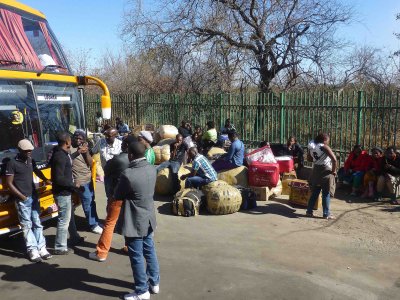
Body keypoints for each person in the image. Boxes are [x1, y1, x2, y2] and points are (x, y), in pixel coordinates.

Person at [114, 142, 160, 300]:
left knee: (136, 256)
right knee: (150, 250)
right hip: (148, 218)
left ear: (131, 155)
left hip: (134, 220)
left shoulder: (128, 174)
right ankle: (154, 283)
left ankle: (142, 291)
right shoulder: (152, 168)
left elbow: (117, 195)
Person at [88, 135, 137, 262]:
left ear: (127, 146)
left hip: (117, 195)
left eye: (124, 143)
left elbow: (106, 171)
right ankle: (129, 247)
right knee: (128, 221)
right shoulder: (139, 160)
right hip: (132, 196)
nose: (121, 144)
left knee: (109, 223)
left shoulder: (118, 159)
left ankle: (101, 253)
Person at [5, 139, 52, 262]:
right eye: (27, 151)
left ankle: (42, 248)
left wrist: (46, 180)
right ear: (20, 150)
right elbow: (9, 184)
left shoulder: (31, 160)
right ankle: (32, 250)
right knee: (26, 225)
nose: (30, 152)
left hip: (34, 196)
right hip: (23, 200)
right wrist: (22, 197)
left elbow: (37, 171)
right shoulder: (12, 163)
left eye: (31, 150)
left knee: (37, 222)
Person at [50, 132, 84, 255]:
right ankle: (60, 247)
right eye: (70, 140)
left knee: (69, 217)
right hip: (62, 193)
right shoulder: (59, 156)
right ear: (67, 142)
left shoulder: (63, 154)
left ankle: (74, 237)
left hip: (66, 192)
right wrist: (74, 184)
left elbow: (68, 161)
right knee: (64, 220)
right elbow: (58, 179)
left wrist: (77, 153)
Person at [71, 130, 102, 234]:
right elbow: (67, 161)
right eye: (77, 138)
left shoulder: (84, 149)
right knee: (87, 203)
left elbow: (90, 163)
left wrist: (86, 152)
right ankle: (93, 225)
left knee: (91, 202)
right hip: (79, 181)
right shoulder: (69, 148)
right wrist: (78, 152)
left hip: (89, 179)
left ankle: (95, 222)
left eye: (81, 139)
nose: (78, 141)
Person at [306, 133, 337, 220]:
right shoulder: (324, 147)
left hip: (316, 171)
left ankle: (309, 211)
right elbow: (334, 159)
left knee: (315, 192)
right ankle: (326, 213)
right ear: (324, 140)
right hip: (325, 171)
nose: (328, 142)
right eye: (328, 140)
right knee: (326, 193)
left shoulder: (312, 147)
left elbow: (309, 159)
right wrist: (334, 171)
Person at [91, 128, 122, 200]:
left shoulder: (120, 144)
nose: (106, 138)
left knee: (118, 197)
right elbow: (92, 152)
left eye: (109, 136)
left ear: (115, 136)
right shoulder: (101, 142)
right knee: (109, 195)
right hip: (107, 174)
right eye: (106, 136)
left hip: (118, 175)